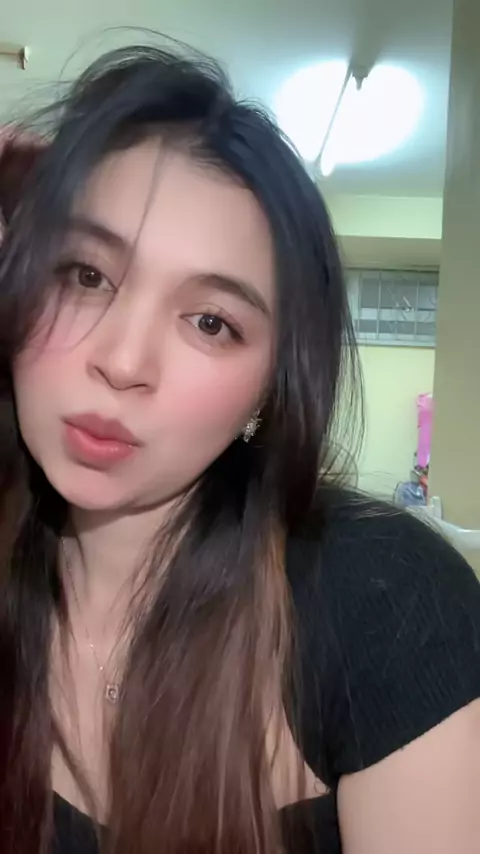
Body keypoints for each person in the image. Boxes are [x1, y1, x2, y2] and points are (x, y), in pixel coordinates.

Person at [0, 44, 479, 854]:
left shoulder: (384, 602)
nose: (123, 360)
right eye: (84, 275)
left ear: (267, 389)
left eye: (211, 322)